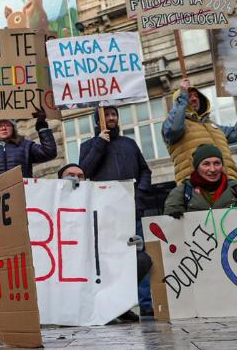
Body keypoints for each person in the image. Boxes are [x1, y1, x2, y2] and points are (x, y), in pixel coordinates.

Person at [79, 106, 153, 318]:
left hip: (132, 211)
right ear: (97, 120)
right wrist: (100, 144)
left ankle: (146, 304)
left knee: (139, 256)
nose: (111, 118)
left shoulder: (129, 144)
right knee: (111, 261)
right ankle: (118, 306)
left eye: (114, 115)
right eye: (106, 115)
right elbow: (85, 172)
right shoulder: (88, 146)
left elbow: (145, 171)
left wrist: (139, 195)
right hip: (105, 215)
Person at [162, 78, 237, 185]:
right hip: (197, 190)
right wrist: (182, 95)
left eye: (196, 96)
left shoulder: (211, 125)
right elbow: (174, 129)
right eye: (189, 96)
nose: (193, 99)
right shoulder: (171, 124)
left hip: (228, 186)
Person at [164, 144, 237, 217]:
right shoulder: (182, 191)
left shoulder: (236, 188)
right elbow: (172, 229)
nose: (212, 169)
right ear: (197, 167)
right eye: (206, 164)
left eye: (217, 163)